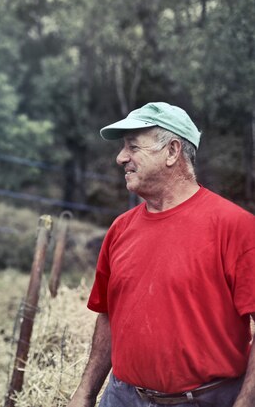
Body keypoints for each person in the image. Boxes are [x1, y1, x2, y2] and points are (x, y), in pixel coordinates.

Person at [67, 102, 255, 407]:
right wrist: (85, 392)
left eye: (132, 147)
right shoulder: (120, 229)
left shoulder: (236, 228)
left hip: (205, 400)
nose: (121, 158)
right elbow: (108, 316)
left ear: (172, 151)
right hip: (122, 397)